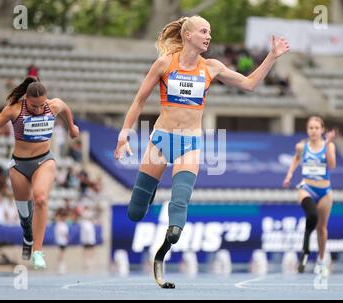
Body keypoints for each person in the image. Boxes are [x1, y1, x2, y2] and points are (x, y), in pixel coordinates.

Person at [114, 15, 289, 288]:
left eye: (210, 32)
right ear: (188, 35)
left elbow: (250, 84)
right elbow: (138, 101)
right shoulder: (164, 64)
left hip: (190, 143)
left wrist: (272, 56)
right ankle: (147, 199)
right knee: (135, 212)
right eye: (204, 31)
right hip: (161, 140)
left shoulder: (212, 67)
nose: (209, 36)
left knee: (179, 203)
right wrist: (124, 135)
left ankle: (167, 242)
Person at [0, 76, 79, 269]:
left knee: (40, 199)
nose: (39, 110)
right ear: (26, 99)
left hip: (44, 161)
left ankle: (37, 252)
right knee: (25, 214)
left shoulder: (53, 105)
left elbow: (65, 109)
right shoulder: (15, 109)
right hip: (19, 165)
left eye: (42, 105)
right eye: (34, 106)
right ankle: (28, 235)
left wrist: (72, 128)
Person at [283, 116, 336, 277]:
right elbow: (296, 158)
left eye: (316, 128)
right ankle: (305, 249)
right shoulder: (301, 146)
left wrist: (326, 144)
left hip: (324, 191)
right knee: (311, 214)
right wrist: (290, 174)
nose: (313, 131)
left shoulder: (329, 146)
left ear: (322, 130)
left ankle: (320, 261)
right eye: (310, 128)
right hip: (307, 187)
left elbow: (332, 165)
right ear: (307, 130)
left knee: (321, 228)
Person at [54, 208, 69, 274]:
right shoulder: (60, 224)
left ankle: (60, 265)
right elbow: (63, 233)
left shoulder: (63, 224)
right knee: (61, 253)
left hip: (63, 241)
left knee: (62, 253)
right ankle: (60, 266)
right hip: (61, 241)